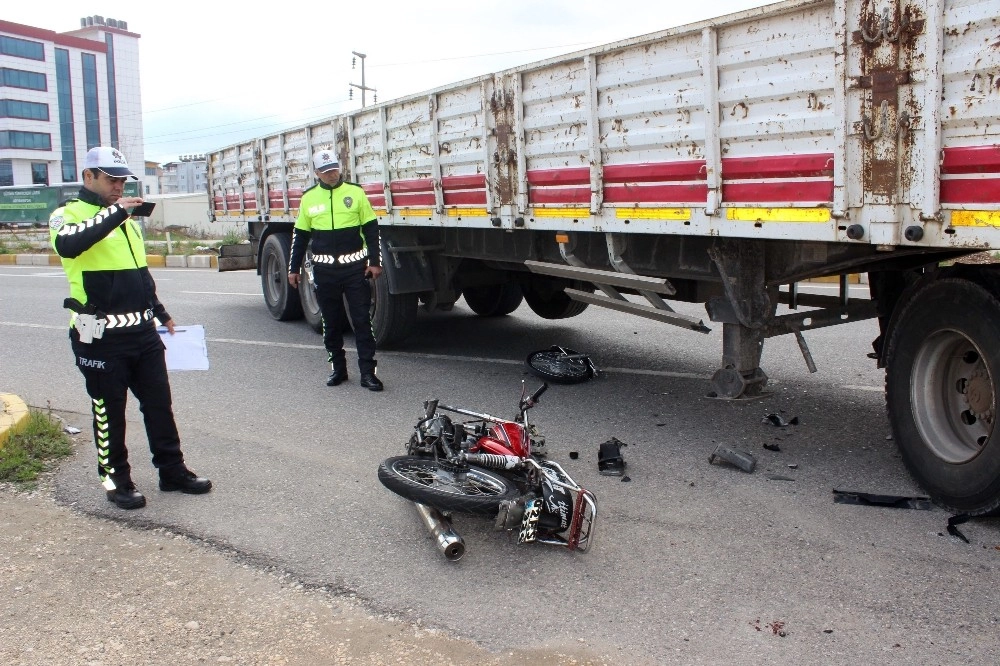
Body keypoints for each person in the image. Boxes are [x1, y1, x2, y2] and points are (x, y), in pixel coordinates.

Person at [49, 146, 212, 510]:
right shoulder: (67, 215)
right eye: (111, 179)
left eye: (122, 180)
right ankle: (116, 480)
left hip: (142, 333)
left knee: (159, 406)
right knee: (109, 413)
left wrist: (161, 312)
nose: (119, 186)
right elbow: (69, 245)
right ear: (88, 176)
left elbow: (140, 275)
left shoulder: (124, 221)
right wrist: (114, 214)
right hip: (100, 336)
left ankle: (172, 471)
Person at [287, 150, 384, 391]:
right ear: (317, 173)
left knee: (362, 321)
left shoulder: (355, 192)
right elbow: (300, 237)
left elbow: (371, 230)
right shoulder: (309, 198)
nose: (332, 174)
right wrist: (293, 269)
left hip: (354, 269)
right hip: (324, 271)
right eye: (326, 171)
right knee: (330, 324)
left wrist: (375, 262)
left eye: (334, 169)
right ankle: (338, 370)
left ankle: (368, 373)